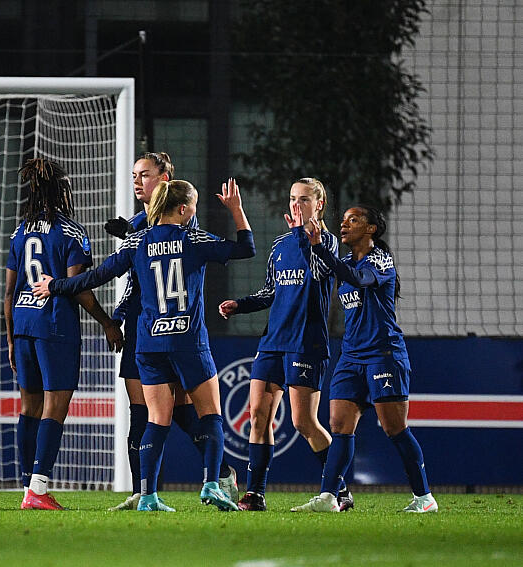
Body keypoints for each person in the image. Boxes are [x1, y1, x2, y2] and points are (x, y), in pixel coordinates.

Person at [34, 178, 255, 512]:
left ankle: (148, 496)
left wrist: (56, 286)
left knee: (156, 419)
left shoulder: (136, 241)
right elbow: (245, 248)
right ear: (183, 209)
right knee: (210, 415)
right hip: (188, 339)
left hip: (149, 342)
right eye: (193, 206)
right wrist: (236, 210)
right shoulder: (194, 238)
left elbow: (96, 277)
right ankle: (212, 484)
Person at [104, 152, 238, 511]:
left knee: (172, 412)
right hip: (141, 326)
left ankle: (216, 474)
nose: (136, 181)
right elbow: (135, 280)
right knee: (144, 412)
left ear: (163, 180)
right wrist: (117, 315)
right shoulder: (140, 224)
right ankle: (143, 491)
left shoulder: (181, 225)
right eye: (134, 175)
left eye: (144, 175)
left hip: (171, 328)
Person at [291, 206, 437, 513]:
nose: (344, 224)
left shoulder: (379, 260)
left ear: (370, 229)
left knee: (394, 427)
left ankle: (424, 498)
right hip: (350, 356)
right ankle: (329, 497)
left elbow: (359, 280)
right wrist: (302, 236)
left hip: (383, 354)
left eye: (353, 219)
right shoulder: (344, 262)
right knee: (339, 424)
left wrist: (319, 246)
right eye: (343, 220)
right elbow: (315, 266)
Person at [218, 178, 353, 511]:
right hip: (273, 341)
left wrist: (303, 236)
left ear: (319, 204)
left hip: (305, 342)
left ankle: (340, 489)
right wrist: (240, 304)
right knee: (258, 416)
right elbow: (271, 292)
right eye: (293, 199)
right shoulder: (280, 245)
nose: (297, 205)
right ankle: (255, 493)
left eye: (304, 199)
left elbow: (320, 272)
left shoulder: (329, 244)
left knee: (302, 422)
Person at [4, 158, 123, 510]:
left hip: (23, 325)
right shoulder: (70, 231)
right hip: (54, 326)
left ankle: (28, 484)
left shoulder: (20, 232)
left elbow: (8, 292)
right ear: (59, 191)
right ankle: (37, 490)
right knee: (55, 407)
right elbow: (77, 287)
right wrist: (106, 321)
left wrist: (11, 339)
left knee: (29, 407)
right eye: (66, 187)